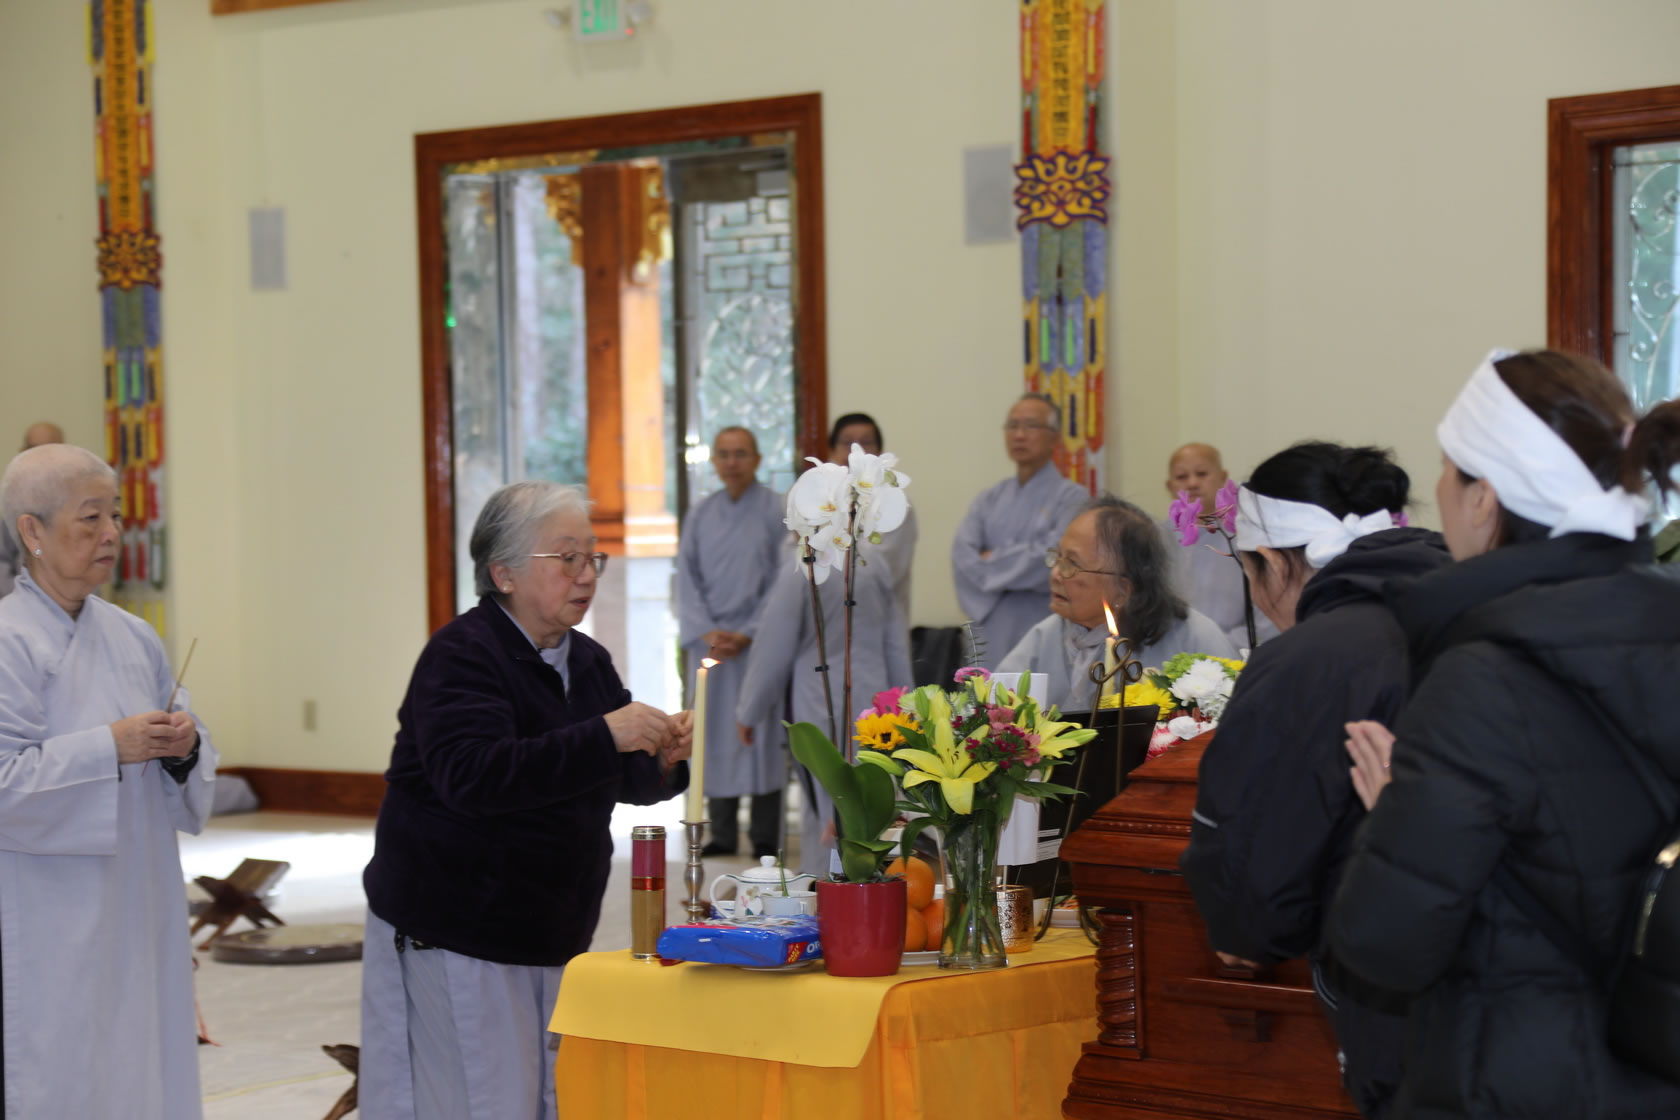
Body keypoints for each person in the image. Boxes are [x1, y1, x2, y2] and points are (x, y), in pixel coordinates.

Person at [1327, 349, 1680, 1118]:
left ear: (1484, 498)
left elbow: (1385, 942)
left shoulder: (1483, 678)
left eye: (1446, 473)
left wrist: (1392, 814)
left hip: (1518, 1083)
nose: (1438, 495)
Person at [360, 481, 692, 1120]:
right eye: (566, 557)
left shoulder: (586, 660)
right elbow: (473, 776)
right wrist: (604, 736)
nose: (586, 574)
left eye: (592, 557)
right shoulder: (462, 655)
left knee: (546, 1098)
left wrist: (663, 760)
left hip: (550, 926)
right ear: (503, 573)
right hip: (460, 926)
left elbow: (615, 778)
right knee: (480, 1102)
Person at [1178, 442, 1448, 1117]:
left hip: (1390, 970)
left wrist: (1242, 933)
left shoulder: (1308, 660)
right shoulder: (1470, 609)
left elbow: (1256, 833)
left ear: (1273, 562)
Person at [0, 443, 215, 1120]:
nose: (112, 534)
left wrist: (183, 746)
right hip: (49, 912)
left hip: (138, 896)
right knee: (63, 1064)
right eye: (90, 518)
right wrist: (108, 748)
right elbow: (5, 785)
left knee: (141, 1054)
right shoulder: (8, 641)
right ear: (32, 531)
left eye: (115, 515)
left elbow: (185, 743)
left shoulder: (133, 637)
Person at [736, 543, 912, 877]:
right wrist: (906, 704)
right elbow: (895, 643)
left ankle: (825, 889)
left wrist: (749, 710)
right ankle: (868, 883)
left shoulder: (804, 564)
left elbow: (774, 647)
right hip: (875, 699)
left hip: (819, 697)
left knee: (825, 803)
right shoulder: (872, 560)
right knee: (868, 802)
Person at [997, 494, 1235, 713]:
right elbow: (995, 709)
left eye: (1072, 564)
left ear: (1123, 590)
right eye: (1057, 557)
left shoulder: (1194, 638)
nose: (1056, 574)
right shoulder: (1047, 634)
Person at [674, 426, 787, 858]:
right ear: (714, 462)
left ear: (757, 459)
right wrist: (707, 630)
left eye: (741, 453)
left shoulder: (777, 510)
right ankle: (720, 831)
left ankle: (764, 834)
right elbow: (685, 578)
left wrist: (749, 632)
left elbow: (783, 579)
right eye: (723, 454)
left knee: (761, 735)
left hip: (758, 643)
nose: (732, 462)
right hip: (711, 644)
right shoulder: (701, 514)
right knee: (714, 734)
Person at [951, 393, 1089, 661]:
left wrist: (992, 560)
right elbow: (962, 556)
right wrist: (1022, 562)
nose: (1019, 435)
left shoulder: (1073, 498)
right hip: (990, 625)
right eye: (1013, 426)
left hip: (1044, 621)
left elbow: (1056, 558)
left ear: (1054, 437)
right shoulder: (989, 498)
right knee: (985, 688)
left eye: (1031, 426)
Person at [1159, 441, 1279, 650]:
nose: (1192, 483)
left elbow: (1267, 618)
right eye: (1182, 477)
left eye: (1202, 473)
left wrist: (1215, 649)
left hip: (1233, 653)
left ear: (1223, 478)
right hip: (1167, 652)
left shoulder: (1248, 537)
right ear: (1169, 487)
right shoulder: (1156, 538)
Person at [830, 411, 918, 623]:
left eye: (866, 442)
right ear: (831, 451)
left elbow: (882, 568)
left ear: (879, 452)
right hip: (828, 615)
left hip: (879, 617)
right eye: (847, 443)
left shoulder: (896, 504)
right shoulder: (821, 501)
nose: (856, 450)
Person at [0, 421, 64, 597]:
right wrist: (21, 598)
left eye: (47, 450)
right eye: (32, 449)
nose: (38, 457)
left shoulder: (79, 500)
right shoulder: (14, 501)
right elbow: (2, 560)